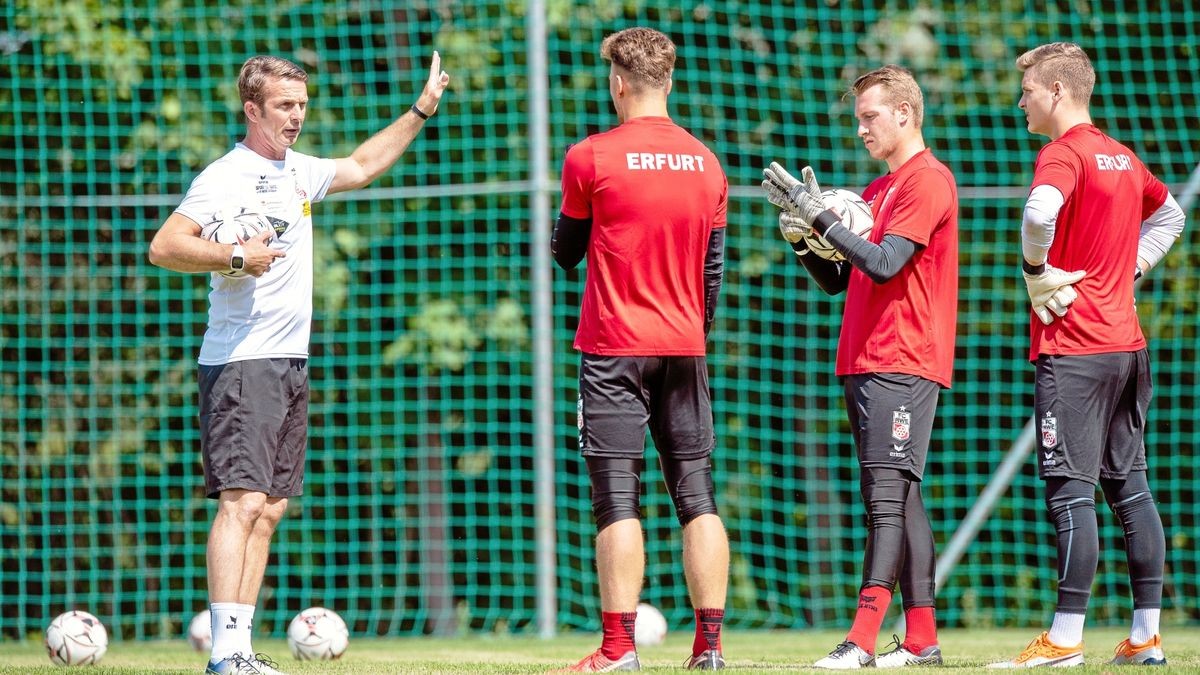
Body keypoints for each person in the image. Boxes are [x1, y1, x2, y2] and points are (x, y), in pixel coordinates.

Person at [148, 52, 450, 675]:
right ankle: (225, 654)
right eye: (285, 107)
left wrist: (421, 109)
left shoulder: (297, 172)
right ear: (251, 109)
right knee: (240, 501)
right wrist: (234, 257)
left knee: (270, 505)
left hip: (288, 362)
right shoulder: (224, 176)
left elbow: (363, 166)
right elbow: (165, 247)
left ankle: (239, 648)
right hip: (243, 361)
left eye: (302, 106)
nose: (297, 117)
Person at [987, 42, 1185, 669]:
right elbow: (1172, 215)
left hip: (1075, 348)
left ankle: (1066, 639)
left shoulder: (1063, 152)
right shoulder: (1123, 158)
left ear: (1058, 93)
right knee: (1131, 489)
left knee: (1070, 493)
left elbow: (1039, 210)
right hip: (1128, 346)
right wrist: (1128, 272)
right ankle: (1146, 635)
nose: (1021, 102)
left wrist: (1034, 270)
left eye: (1028, 92)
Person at [762, 64, 958, 669]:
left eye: (869, 117)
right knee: (902, 498)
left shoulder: (928, 180)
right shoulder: (877, 190)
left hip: (902, 358)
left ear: (905, 112)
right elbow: (838, 279)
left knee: (884, 500)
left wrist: (821, 217)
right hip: (867, 357)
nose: (861, 129)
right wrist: (800, 236)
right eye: (857, 120)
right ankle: (922, 641)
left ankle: (862, 640)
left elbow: (885, 263)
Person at [551, 26, 730, 673]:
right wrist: (691, 329)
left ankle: (619, 649)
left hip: (613, 349)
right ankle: (708, 647)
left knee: (616, 497)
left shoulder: (590, 157)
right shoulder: (707, 163)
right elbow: (713, 273)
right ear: (671, 81)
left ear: (618, 84)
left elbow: (565, 253)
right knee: (697, 492)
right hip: (686, 347)